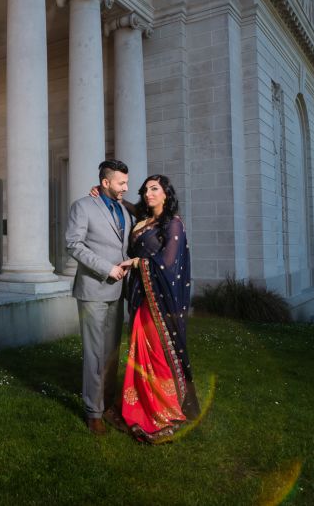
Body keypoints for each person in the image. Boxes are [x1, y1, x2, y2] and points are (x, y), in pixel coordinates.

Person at [118, 174, 200, 443]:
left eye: (155, 189)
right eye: (145, 190)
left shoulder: (172, 223)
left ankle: (168, 411)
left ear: (166, 193)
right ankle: (141, 403)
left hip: (162, 300)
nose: (149, 193)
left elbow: (167, 262)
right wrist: (111, 194)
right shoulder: (144, 221)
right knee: (140, 352)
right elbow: (133, 208)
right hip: (143, 296)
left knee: (159, 352)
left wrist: (136, 263)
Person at [65, 159, 133, 435]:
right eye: (121, 183)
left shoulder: (126, 211)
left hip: (117, 292)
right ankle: (93, 412)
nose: (126, 187)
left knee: (112, 351)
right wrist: (107, 269)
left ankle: (106, 404)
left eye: (127, 182)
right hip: (93, 289)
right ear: (105, 183)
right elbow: (73, 244)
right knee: (95, 352)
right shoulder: (82, 207)